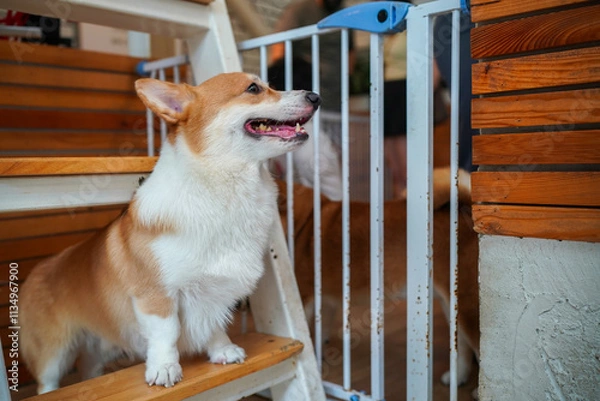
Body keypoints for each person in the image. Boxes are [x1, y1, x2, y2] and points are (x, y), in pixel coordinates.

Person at [268, 0, 356, 200]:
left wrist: (347, 84)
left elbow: (350, 53)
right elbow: (280, 44)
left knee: (325, 163)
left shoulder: (346, 15)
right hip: (302, 97)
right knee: (308, 161)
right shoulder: (300, 10)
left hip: (334, 99)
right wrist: (278, 84)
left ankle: (331, 210)